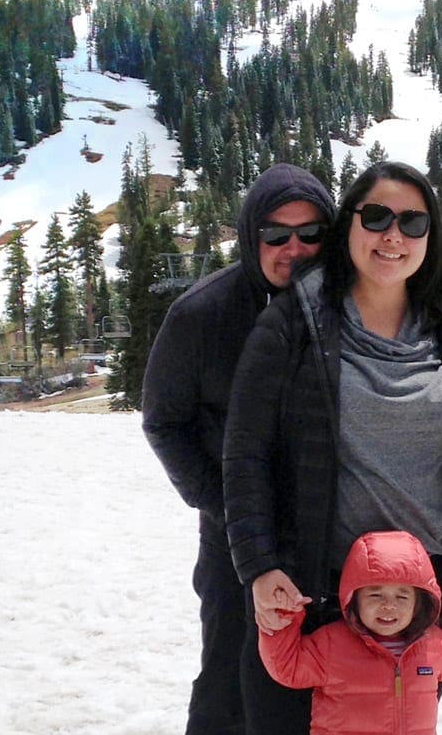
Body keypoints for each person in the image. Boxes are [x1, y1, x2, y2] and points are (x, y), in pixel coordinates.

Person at [223, 160, 442, 735]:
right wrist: (260, 566)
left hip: (428, 590)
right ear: (349, 226)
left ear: (430, 237)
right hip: (318, 585)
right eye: (377, 217)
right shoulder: (296, 322)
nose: (393, 236)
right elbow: (246, 454)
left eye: (412, 223)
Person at [141, 163, 336, 735]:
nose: (293, 249)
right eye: (276, 235)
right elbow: (164, 422)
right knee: (228, 680)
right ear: (252, 238)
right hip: (233, 540)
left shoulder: (348, 307)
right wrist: (222, 503)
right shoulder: (202, 315)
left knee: (320, 684)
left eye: (309, 234)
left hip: (329, 532)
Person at [258, 530, 442, 735]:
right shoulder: (332, 643)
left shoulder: (432, 644)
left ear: (420, 603)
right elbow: (288, 666)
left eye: (402, 597)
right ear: (353, 599)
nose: (388, 605)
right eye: (375, 594)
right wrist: (282, 621)